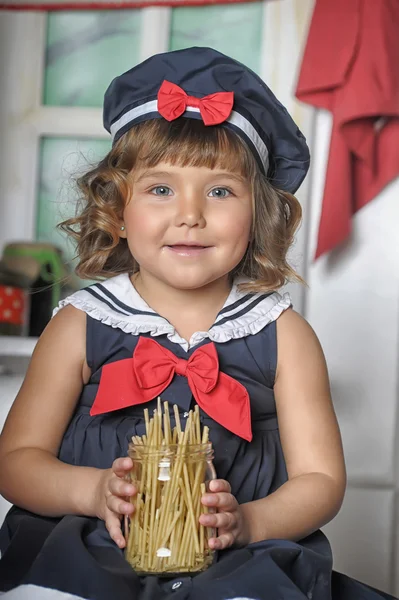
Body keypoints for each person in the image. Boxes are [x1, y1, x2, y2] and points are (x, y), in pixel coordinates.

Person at [0, 47, 395, 600]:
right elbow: (16, 463)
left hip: (239, 558)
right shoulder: (79, 324)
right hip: (88, 546)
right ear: (116, 210)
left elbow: (321, 481)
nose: (190, 213)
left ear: (258, 215)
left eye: (220, 191)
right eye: (161, 189)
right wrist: (91, 492)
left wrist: (250, 524)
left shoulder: (284, 334)